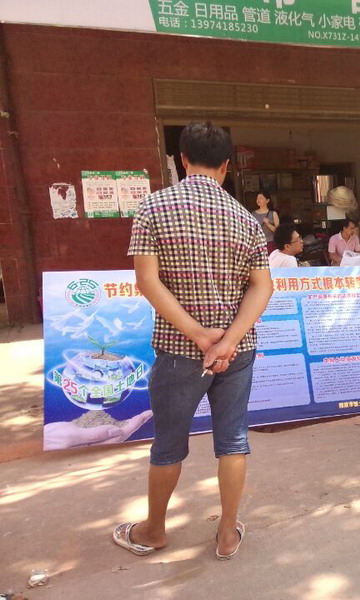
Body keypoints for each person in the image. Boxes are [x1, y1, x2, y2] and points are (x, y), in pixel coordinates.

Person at [115, 121, 272, 560]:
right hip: (237, 351)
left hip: (179, 351)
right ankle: (226, 534)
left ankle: (153, 532)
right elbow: (262, 286)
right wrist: (227, 341)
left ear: (182, 159)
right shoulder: (246, 218)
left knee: (168, 444)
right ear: (226, 165)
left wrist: (201, 336)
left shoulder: (152, 208)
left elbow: (148, 281)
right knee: (233, 440)